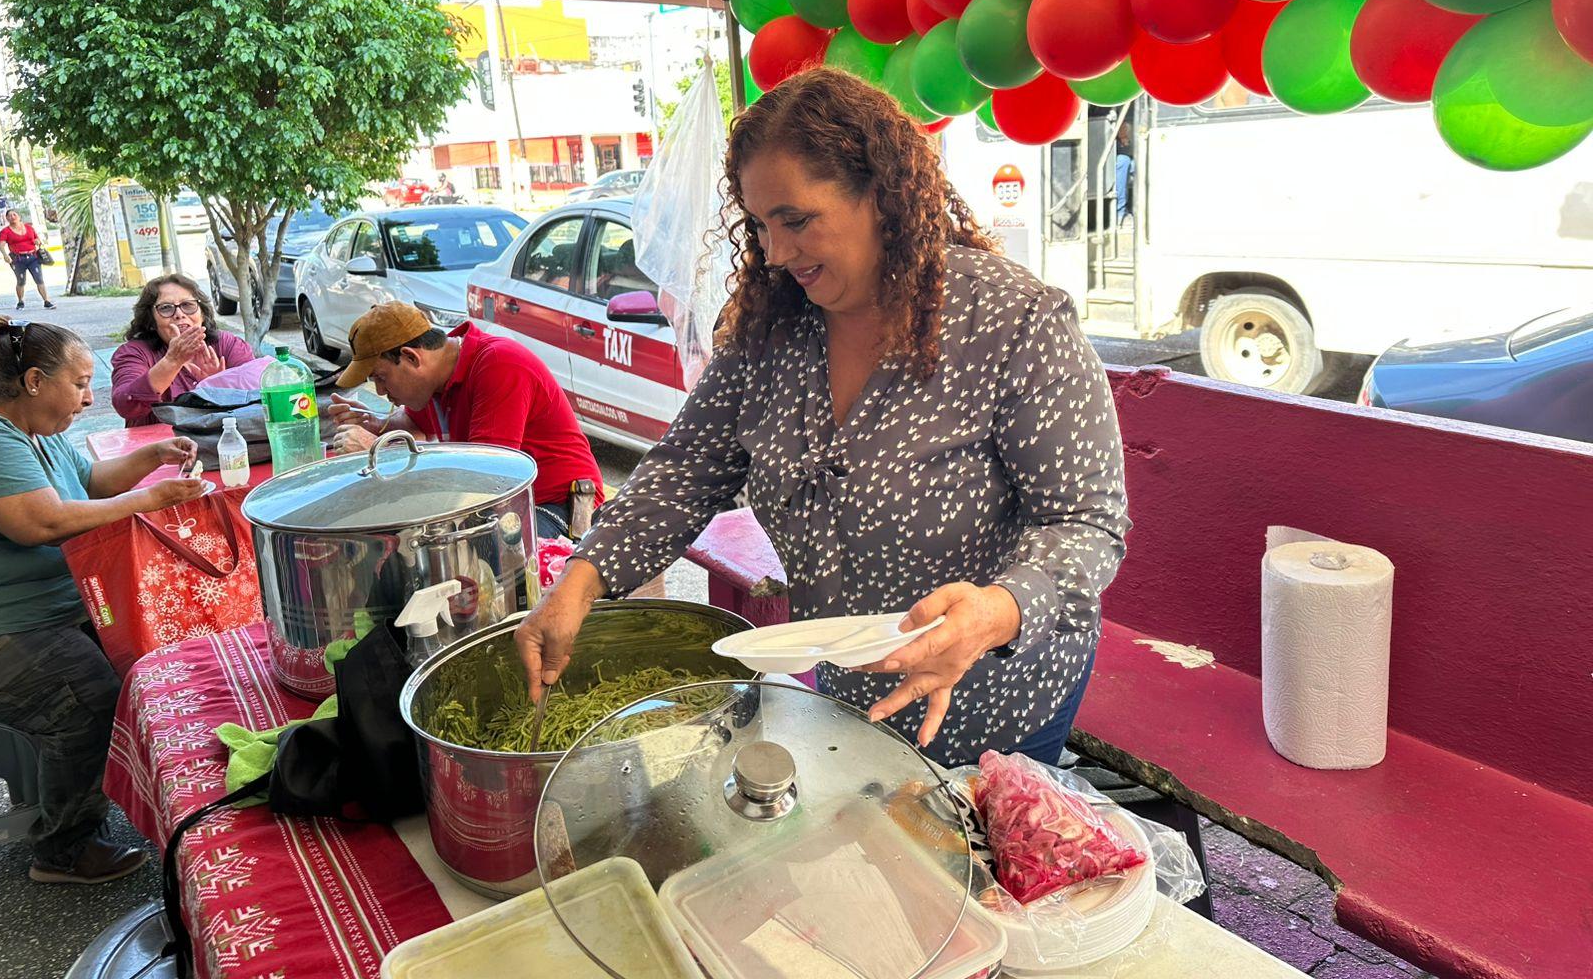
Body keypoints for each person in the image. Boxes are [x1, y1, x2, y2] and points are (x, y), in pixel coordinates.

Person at [513, 68, 1129, 767]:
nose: (775, 253)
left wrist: (997, 611)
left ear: (881, 195)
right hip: (848, 690)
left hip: (996, 692)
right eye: (759, 225)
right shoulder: (770, 330)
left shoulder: (1011, 320)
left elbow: (1086, 522)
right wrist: (579, 584)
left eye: (797, 220)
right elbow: (684, 471)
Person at [0, 317, 206, 883]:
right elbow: (42, 522)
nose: (90, 399)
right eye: (81, 384)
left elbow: (88, 482)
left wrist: (154, 457)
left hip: (59, 611)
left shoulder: (38, 431)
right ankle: (63, 848)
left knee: (153, 659)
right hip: (8, 629)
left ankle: (150, 796)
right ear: (34, 381)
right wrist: (152, 499)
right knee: (92, 702)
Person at [324, 303, 604, 540]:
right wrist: (375, 424)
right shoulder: (434, 379)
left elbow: (484, 479)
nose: (380, 391)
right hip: (504, 502)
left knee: (484, 557)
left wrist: (382, 457)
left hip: (557, 506)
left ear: (411, 357)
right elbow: (412, 424)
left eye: (381, 377)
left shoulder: (499, 364)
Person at [110, 274, 255, 427]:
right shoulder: (134, 353)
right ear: (151, 320)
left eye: (188, 305)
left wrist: (219, 385)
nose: (179, 314)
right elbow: (125, 404)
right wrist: (172, 361)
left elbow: (258, 395)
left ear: (202, 314)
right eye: (166, 308)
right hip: (160, 442)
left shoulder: (226, 344)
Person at [0, 209, 55, 310]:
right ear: (7, 218)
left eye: (14, 214)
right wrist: (5, 255)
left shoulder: (29, 228)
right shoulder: (5, 231)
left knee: (39, 279)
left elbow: (37, 239)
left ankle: (47, 301)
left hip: (33, 257)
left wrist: (37, 241)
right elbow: (1, 244)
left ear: (19, 216)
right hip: (18, 259)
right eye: (10, 216)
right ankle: (20, 301)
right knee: (21, 281)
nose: (12, 217)